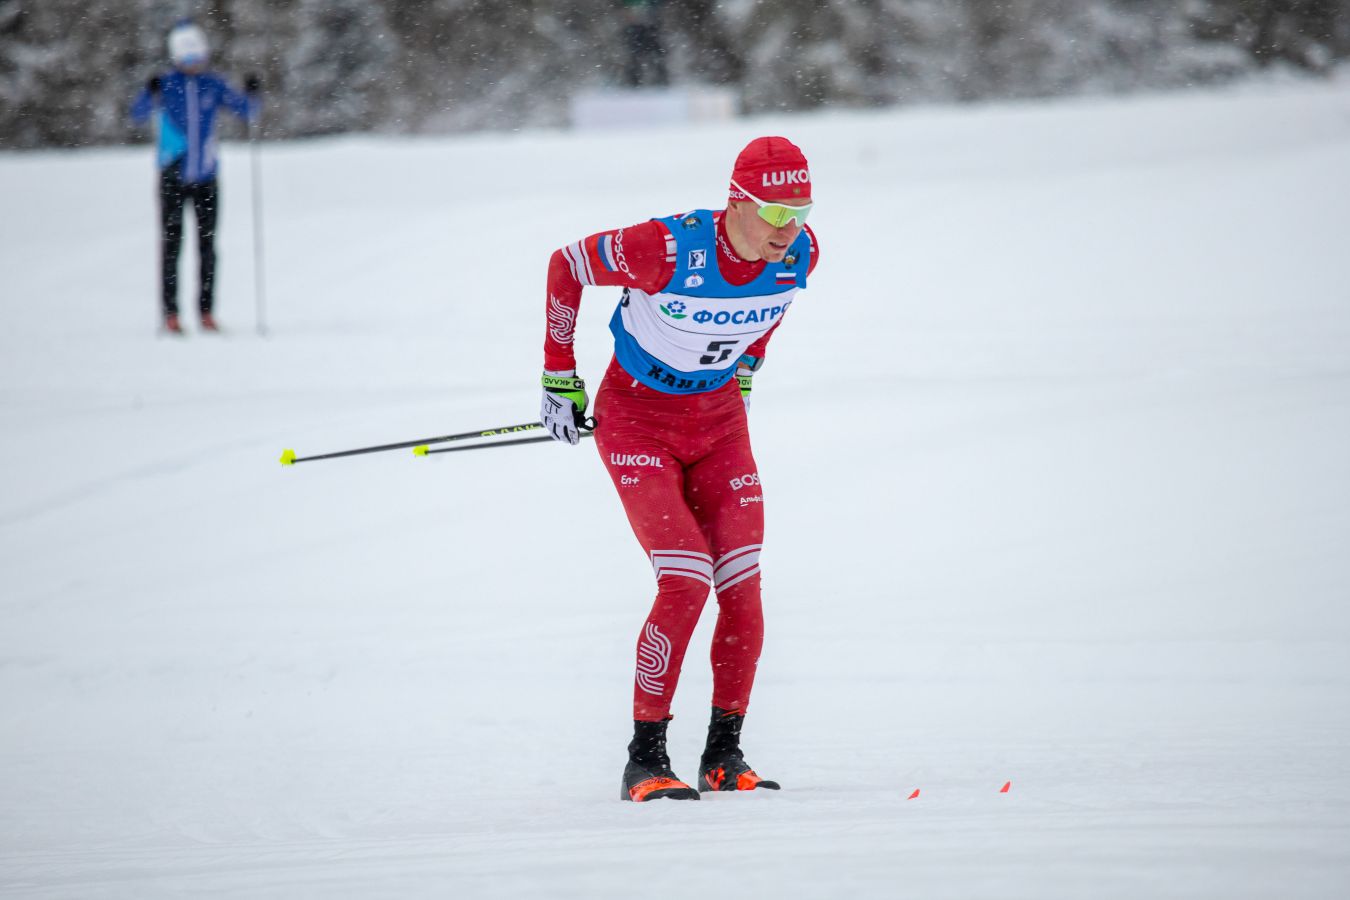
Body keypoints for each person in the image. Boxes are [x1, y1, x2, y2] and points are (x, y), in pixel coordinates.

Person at [539, 136, 819, 802]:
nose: (789, 230)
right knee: (686, 578)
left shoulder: (802, 254)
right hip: (638, 421)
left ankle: (723, 755)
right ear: (737, 203)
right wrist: (558, 376)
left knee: (743, 584)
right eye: (776, 213)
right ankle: (646, 758)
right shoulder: (668, 249)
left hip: (719, 425)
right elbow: (567, 263)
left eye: (800, 212)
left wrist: (745, 371)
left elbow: (766, 318)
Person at [130, 22, 258, 335]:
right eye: (186, 59)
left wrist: (253, 93)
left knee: (208, 246)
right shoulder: (165, 84)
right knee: (172, 246)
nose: (192, 65)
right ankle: (171, 313)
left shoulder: (213, 84)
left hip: (206, 176)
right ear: (175, 57)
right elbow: (137, 114)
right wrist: (149, 92)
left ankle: (206, 311)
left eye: (196, 58)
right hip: (172, 174)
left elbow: (245, 111)